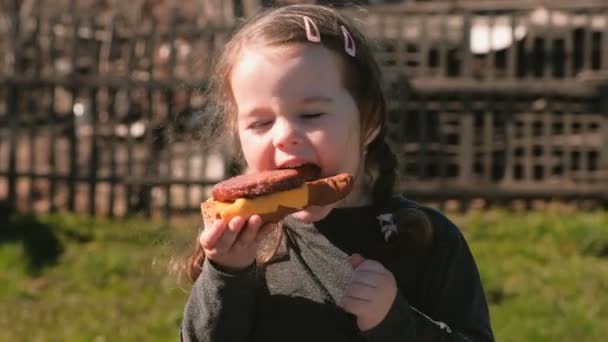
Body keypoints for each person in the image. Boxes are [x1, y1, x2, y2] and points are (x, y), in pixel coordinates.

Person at [180, 4, 494, 341]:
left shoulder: (427, 240)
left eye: (312, 114)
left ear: (369, 121)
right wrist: (226, 273)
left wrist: (393, 321)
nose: (284, 135)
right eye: (260, 123)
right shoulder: (246, 248)